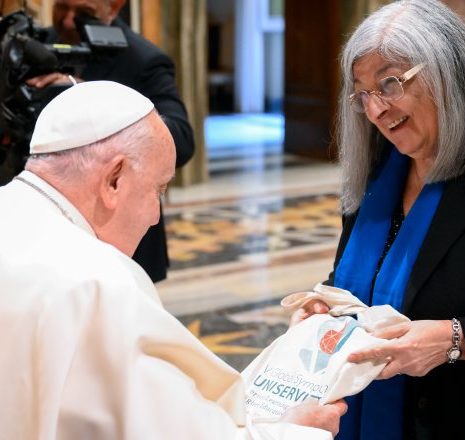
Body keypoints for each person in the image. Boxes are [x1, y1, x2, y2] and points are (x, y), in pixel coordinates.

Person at [0, 80, 347, 439]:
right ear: (114, 179)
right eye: (159, 190)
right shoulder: (100, 285)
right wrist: (291, 431)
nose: (155, 217)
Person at [308, 1, 465, 439]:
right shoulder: (381, 166)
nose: (375, 110)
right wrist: (326, 306)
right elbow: (366, 274)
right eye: (362, 94)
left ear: (448, 73)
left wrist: (457, 340)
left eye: (389, 83)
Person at [26, 0, 195, 282]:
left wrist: (95, 98)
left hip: (122, 239)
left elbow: (183, 139)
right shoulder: (36, 45)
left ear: (114, 7)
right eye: (61, 8)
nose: (67, 21)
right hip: (46, 227)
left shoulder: (143, 58)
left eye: (84, 14)